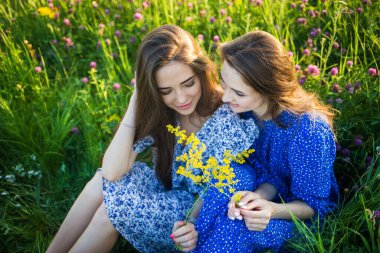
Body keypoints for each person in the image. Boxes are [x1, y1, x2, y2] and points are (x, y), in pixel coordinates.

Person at [46, 24, 258, 253]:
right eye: (165, 90)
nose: (181, 98)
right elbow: (111, 172)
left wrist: (193, 222)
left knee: (109, 212)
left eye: (188, 84)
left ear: (201, 72)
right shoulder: (162, 112)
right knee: (101, 182)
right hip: (166, 195)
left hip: (194, 217)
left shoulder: (227, 112)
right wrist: (136, 102)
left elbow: (228, 183)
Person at [188, 30, 339, 252]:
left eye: (238, 93)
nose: (226, 97)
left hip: (297, 216)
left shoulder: (309, 132)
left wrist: (270, 209)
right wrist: (257, 197)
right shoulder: (247, 112)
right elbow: (268, 174)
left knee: (236, 229)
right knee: (232, 181)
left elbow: (314, 206)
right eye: (224, 82)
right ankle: (192, 233)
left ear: (269, 90)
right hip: (264, 193)